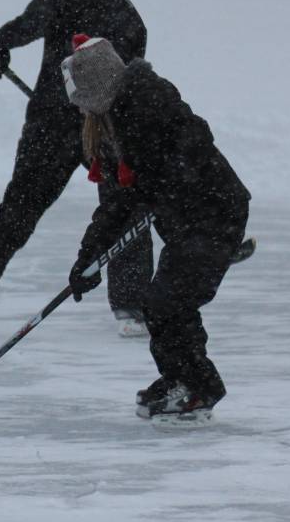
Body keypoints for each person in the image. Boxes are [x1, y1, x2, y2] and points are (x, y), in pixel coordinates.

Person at [0, 0, 155, 338]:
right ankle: (131, 309)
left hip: (48, 127)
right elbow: (132, 83)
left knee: (16, 215)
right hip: (105, 130)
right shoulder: (129, 17)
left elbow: (18, 31)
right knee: (125, 212)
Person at [60, 36, 250, 425]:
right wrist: (87, 261)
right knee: (158, 303)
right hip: (182, 219)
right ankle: (179, 377)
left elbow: (195, 140)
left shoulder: (150, 99)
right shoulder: (110, 125)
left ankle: (200, 386)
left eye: (82, 100)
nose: (81, 111)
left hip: (215, 211)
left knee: (170, 301)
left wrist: (162, 177)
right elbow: (117, 204)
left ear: (98, 86)